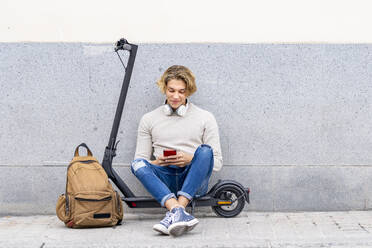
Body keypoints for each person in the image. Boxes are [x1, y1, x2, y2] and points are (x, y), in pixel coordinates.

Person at [131, 65, 223, 236]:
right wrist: (157, 162)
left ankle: (176, 209)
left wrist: (190, 159)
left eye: (181, 92)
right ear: (164, 89)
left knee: (205, 151)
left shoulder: (206, 118)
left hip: (193, 179)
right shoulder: (149, 119)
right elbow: (141, 160)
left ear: (188, 91)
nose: (175, 96)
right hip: (164, 180)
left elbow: (216, 163)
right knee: (136, 165)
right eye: (171, 90)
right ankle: (178, 211)